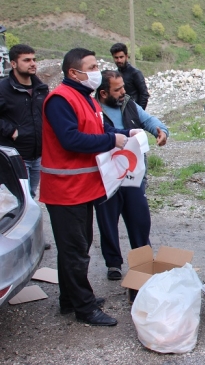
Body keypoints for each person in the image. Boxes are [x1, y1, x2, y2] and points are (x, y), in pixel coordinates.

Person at [40, 48, 135, 326]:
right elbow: (70, 140)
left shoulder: (85, 99)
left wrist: (122, 134)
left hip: (82, 188)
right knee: (76, 251)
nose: (97, 71)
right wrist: (111, 141)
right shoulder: (60, 100)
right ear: (73, 72)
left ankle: (70, 300)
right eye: (92, 67)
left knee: (75, 248)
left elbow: (96, 132)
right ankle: (85, 308)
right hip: (65, 190)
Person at [94, 70, 169, 281]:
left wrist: (161, 131)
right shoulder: (92, 111)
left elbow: (149, 120)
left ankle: (143, 262)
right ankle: (113, 264)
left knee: (140, 219)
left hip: (134, 176)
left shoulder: (128, 104)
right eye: (117, 90)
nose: (123, 92)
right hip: (106, 178)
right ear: (103, 93)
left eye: (123, 87)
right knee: (108, 221)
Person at [0, 44, 52, 251]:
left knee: (31, 195)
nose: (33, 64)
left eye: (33, 59)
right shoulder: (3, 89)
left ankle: (31, 240)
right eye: (26, 60)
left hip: (37, 153)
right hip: (14, 156)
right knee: (19, 201)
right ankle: (20, 244)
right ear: (13, 64)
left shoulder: (40, 88)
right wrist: (10, 130)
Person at [110, 43, 149, 110]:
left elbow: (144, 94)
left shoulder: (135, 73)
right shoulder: (115, 74)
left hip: (133, 110)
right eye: (116, 58)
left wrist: (138, 113)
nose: (119, 60)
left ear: (126, 56)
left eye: (121, 57)